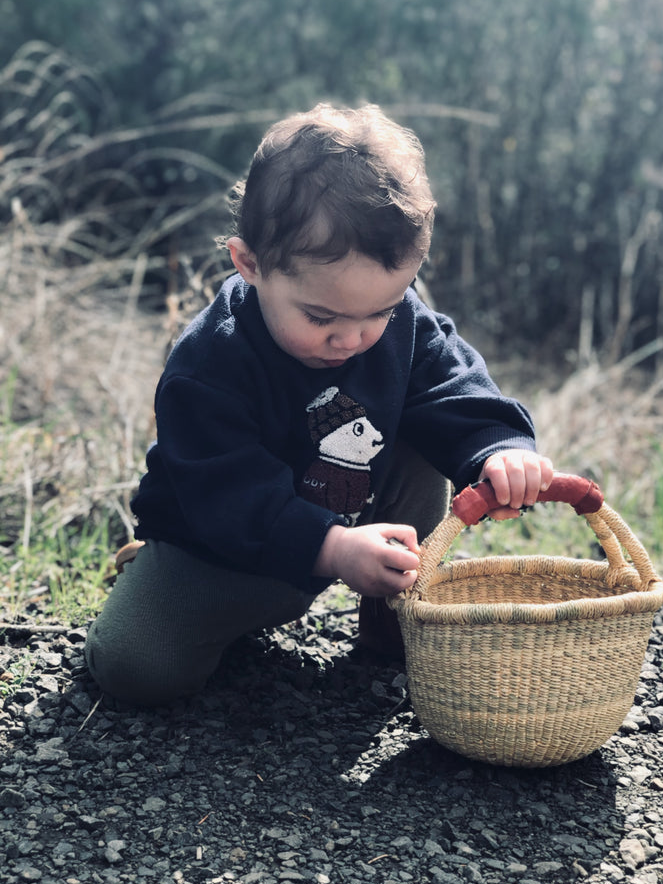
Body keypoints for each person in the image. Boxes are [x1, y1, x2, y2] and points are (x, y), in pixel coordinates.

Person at [85, 103, 553, 705]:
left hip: (358, 529)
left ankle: (400, 606)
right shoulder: (210, 362)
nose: (353, 338)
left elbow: (452, 385)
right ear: (250, 264)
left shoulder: (399, 326)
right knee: (136, 670)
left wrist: (500, 448)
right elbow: (225, 490)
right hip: (221, 551)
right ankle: (151, 580)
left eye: (380, 310)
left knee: (423, 422)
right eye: (321, 316)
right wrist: (328, 548)